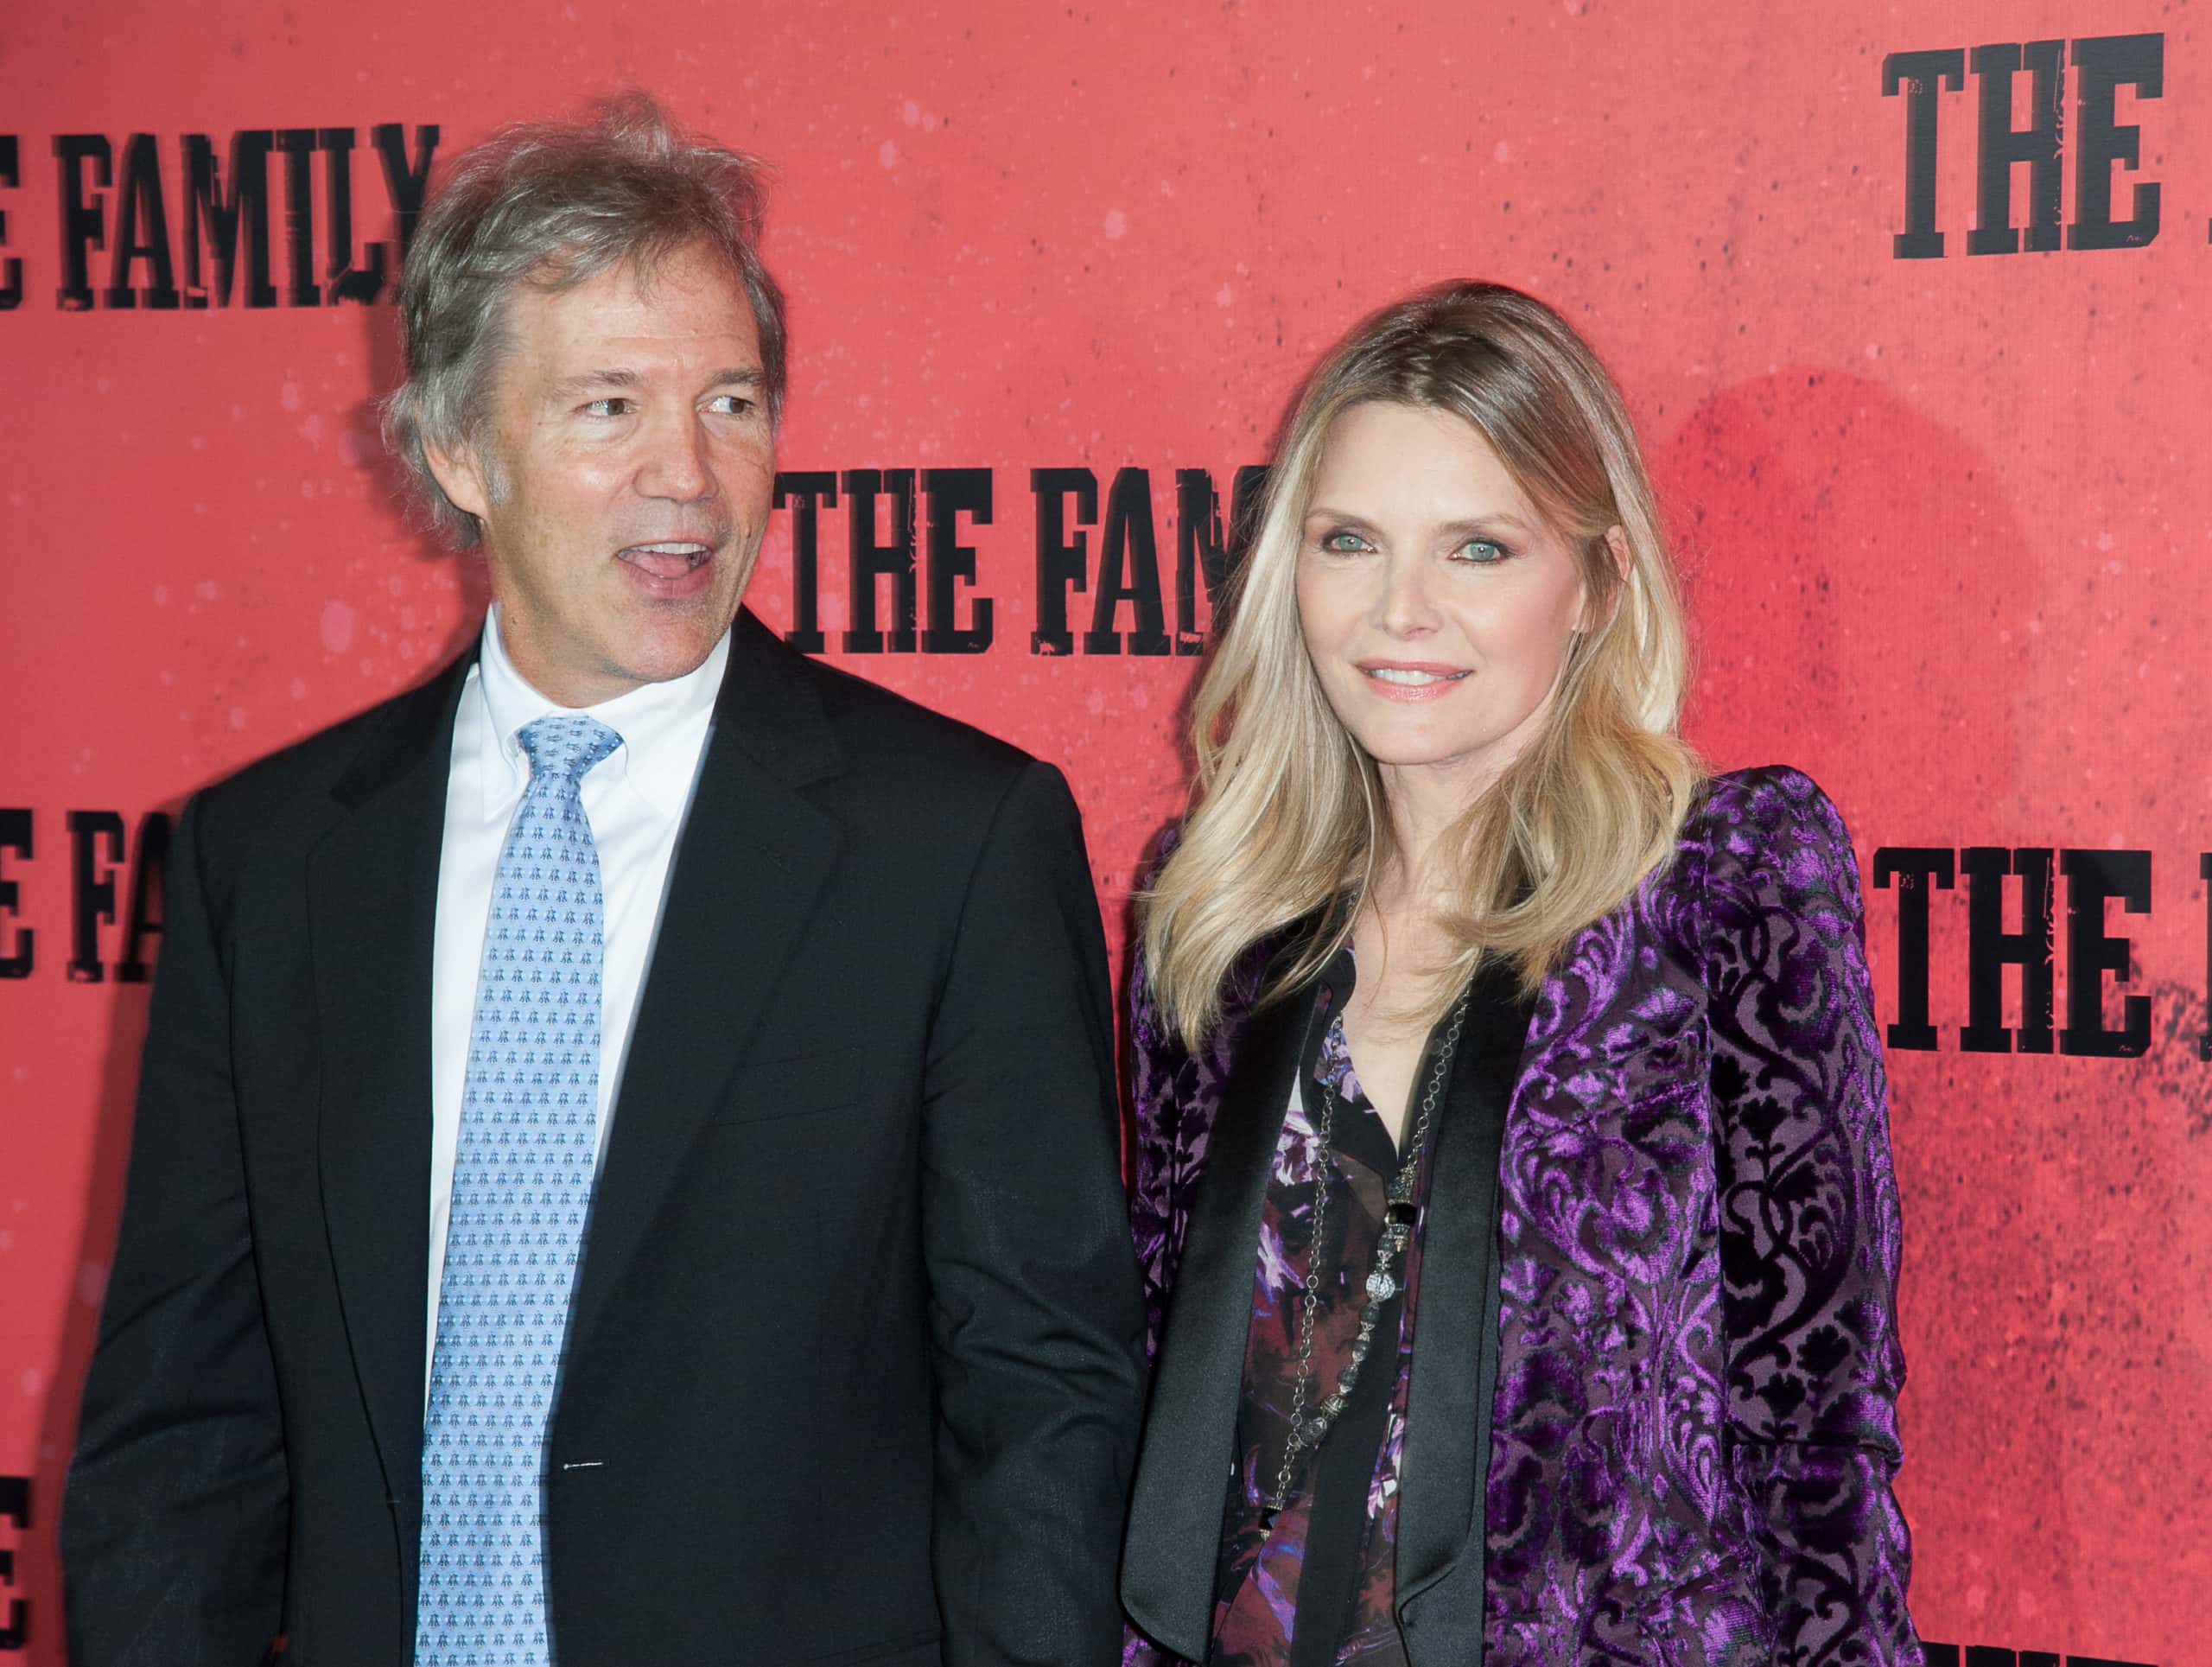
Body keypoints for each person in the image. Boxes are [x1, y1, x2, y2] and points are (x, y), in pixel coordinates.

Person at [62, 94, 1146, 1667]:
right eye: (608, 407)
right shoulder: (270, 861)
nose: (689, 479)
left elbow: (1043, 1397)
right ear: (454, 447)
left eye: (731, 400)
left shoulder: (954, 843)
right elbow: (183, 1432)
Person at [1117, 283, 1917, 1665]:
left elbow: (1821, 1418)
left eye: (1479, 549)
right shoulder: (1215, 910)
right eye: (1349, 541)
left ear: (1600, 582)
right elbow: (1148, 1366)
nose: (1400, 609)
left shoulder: (1728, 879)